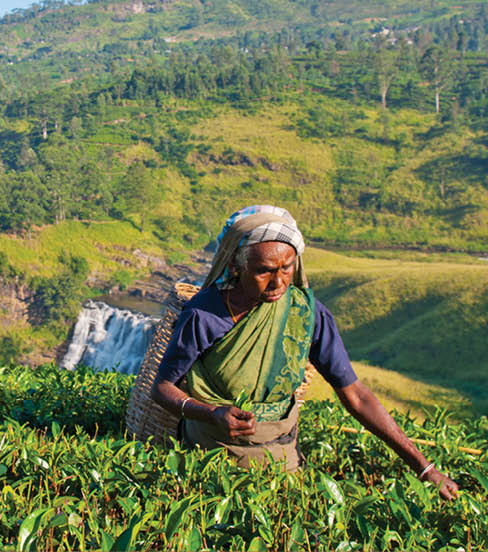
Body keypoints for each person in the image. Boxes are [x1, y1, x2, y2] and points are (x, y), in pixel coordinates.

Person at [151, 205, 458, 499]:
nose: (279, 281)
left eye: (287, 267)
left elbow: (356, 396)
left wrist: (424, 467)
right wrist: (211, 413)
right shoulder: (204, 315)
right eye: (264, 271)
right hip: (210, 459)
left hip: (282, 464)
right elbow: (162, 389)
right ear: (235, 265)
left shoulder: (307, 315)